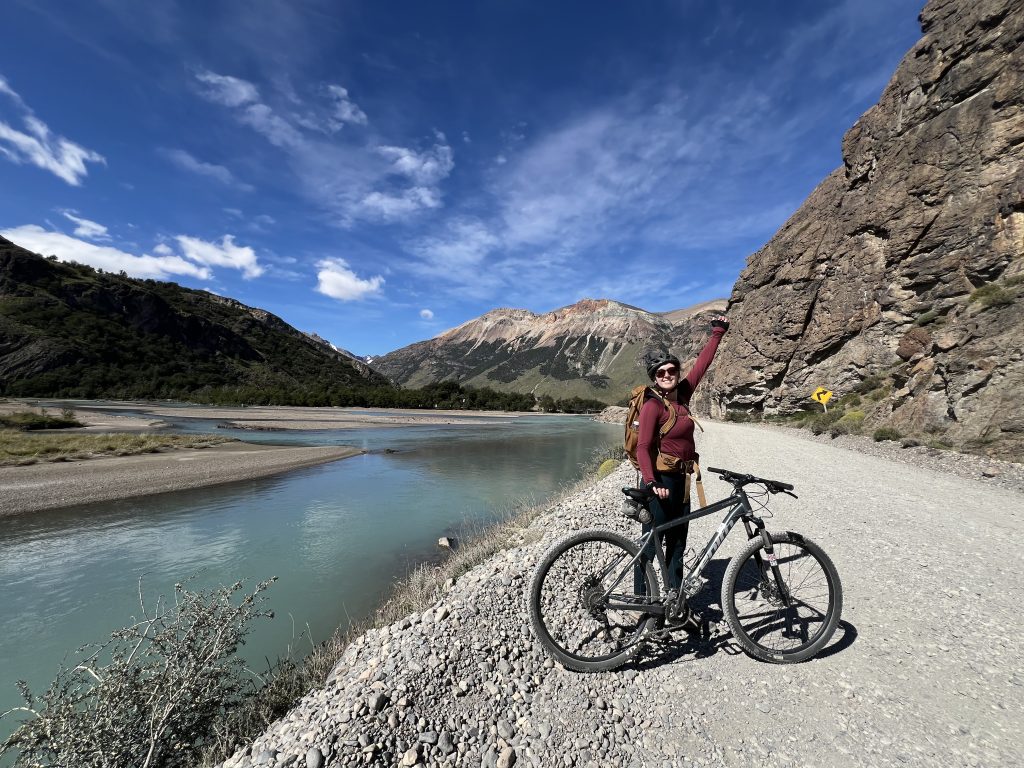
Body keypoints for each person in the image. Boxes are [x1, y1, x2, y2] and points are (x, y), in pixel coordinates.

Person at [635, 314, 729, 630]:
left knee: (677, 546)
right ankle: (646, 609)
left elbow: (701, 365)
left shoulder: (683, 396)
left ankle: (675, 603)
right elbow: (643, 447)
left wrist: (717, 332)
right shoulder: (652, 406)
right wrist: (650, 483)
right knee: (651, 545)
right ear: (654, 376)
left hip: (683, 483)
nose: (667, 375)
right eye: (660, 372)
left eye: (672, 370)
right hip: (661, 483)